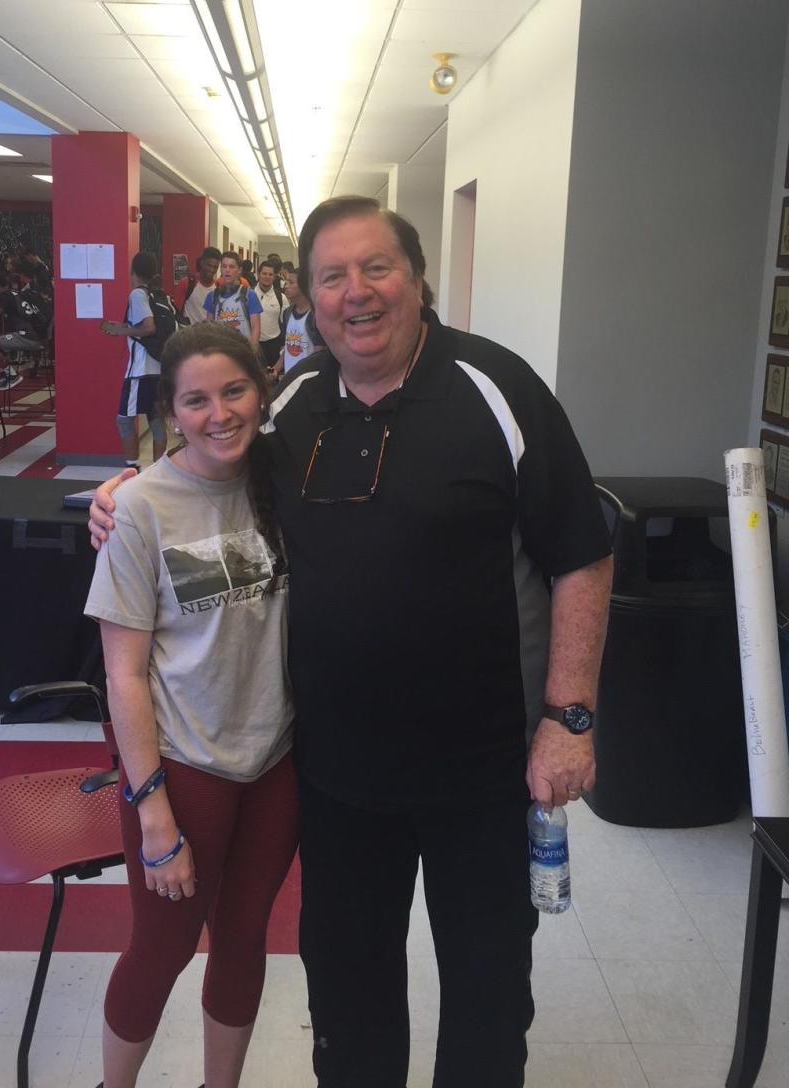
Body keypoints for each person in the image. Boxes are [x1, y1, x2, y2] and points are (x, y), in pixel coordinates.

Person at [90, 195, 613, 1088]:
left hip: (483, 769)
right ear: (308, 297)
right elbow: (210, 461)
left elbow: (584, 553)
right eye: (332, 277)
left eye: (377, 268)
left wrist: (570, 716)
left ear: (417, 279)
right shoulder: (292, 402)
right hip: (333, 774)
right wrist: (128, 490)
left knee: (488, 988)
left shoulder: (499, 388)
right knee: (349, 987)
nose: (356, 294)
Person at [85, 322, 298, 1088]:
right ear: (172, 412)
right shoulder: (139, 507)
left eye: (234, 391)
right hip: (184, 770)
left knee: (245, 941)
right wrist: (154, 815)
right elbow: (124, 675)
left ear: (261, 390)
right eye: (196, 400)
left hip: (275, 763)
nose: (220, 414)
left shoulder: (287, 477)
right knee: (163, 948)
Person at [101, 252, 168, 469]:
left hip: (140, 371)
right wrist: (124, 328)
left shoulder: (137, 294)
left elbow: (148, 327)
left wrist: (121, 332)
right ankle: (159, 472)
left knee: (124, 419)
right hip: (158, 369)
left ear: (133, 271)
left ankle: (132, 469)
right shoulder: (158, 294)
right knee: (156, 419)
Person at [271, 269, 324, 379]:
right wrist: (276, 368)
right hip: (290, 378)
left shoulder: (316, 315)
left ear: (304, 286)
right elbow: (288, 346)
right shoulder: (288, 313)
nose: (286, 286)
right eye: (286, 282)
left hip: (308, 381)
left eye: (291, 282)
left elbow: (320, 355)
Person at [204, 253, 262, 353]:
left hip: (244, 351)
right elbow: (209, 328)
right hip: (221, 353)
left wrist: (253, 353)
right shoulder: (212, 296)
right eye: (224, 266)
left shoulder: (249, 295)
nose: (227, 270)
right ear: (220, 269)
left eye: (231, 267)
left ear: (239, 270)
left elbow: (256, 329)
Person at [253, 261, 284, 369]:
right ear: (258, 274)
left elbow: (285, 323)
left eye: (270, 274)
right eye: (264, 273)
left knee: (272, 380)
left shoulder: (281, 297)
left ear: (274, 277)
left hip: (273, 346)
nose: (267, 277)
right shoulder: (248, 295)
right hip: (253, 344)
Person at [181, 247, 222, 325]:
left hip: (210, 334)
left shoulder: (218, 287)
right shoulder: (187, 283)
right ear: (202, 263)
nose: (212, 270)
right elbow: (176, 311)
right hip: (190, 334)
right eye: (209, 265)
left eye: (215, 267)